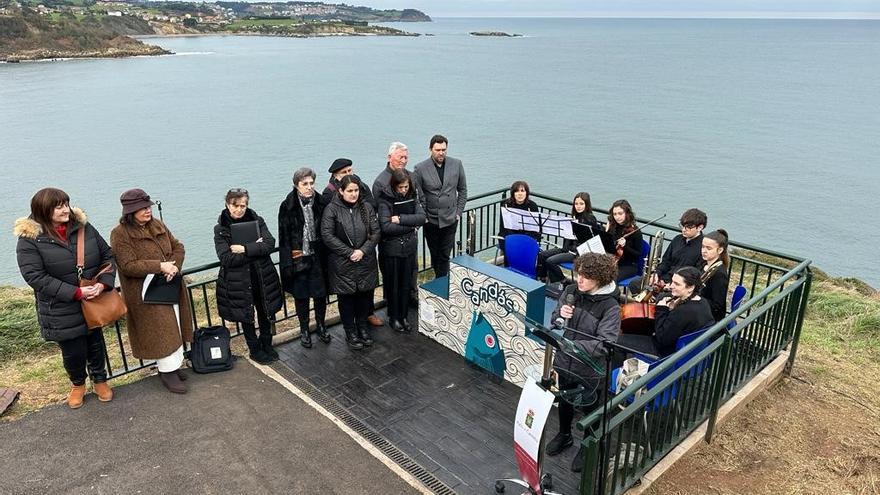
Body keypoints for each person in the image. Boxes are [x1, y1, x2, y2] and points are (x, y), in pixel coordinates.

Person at [15, 188, 116, 409]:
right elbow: (35, 277)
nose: (65, 209)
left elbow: (107, 255)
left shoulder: (83, 228)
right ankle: (78, 384)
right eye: (59, 206)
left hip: (93, 300)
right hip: (59, 307)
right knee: (73, 350)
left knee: (96, 344)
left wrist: (103, 283)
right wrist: (76, 292)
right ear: (43, 210)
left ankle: (100, 380)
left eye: (66, 204)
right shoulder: (30, 240)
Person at [544, 252, 621, 472]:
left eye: (586, 277)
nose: (579, 279)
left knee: (591, 411)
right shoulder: (570, 291)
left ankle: (588, 446)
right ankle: (565, 434)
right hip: (565, 362)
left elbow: (606, 344)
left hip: (590, 370)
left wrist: (574, 347)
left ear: (601, 278)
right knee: (565, 401)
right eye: (579, 274)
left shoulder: (610, 307)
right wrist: (560, 315)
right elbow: (555, 320)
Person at [111, 188, 193, 394]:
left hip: (169, 283)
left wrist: (174, 266)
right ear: (130, 211)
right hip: (146, 292)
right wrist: (159, 266)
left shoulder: (158, 224)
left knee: (175, 325)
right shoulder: (120, 234)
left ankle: (173, 366)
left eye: (148, 207)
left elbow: (178, 246)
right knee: (161, 331)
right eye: (142, 208)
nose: (148, 211)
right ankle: (167, 372)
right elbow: (128, 265)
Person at [214, 188, 284, 363]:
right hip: (238, 280)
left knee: (265, 310)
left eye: (243, 205)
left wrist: (244, 249)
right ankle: (254, 348)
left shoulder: (257, 221)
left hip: (262, 275)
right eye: (235, 205)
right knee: (246, 315)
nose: (239, 209)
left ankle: (267, 344)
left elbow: (269, 244)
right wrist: (255, 248)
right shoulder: (221, 228)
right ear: (227, 205)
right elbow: (226, 258)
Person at [321, 175, 381, 350]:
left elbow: (376, 232)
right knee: (346, 299)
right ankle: (350, 332)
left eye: (356, 190)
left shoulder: (367, 207)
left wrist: (362, 251)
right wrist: (349, 253)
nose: (353, 194)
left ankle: (362, 328)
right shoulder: (332, 209)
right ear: (341, 191)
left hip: (365, 260)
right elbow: (327, 235)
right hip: (342, 263)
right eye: (350, 191)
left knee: (364, 296)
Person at [279, 168, 332, 349]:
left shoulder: (322, 202)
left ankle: (321, 325)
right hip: (298, 258)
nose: (309, 187)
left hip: (318, 257)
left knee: (320, 294)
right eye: (305, 184)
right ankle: (304, 329)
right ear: (296, 185)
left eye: (311, 183)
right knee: (301, 297)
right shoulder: (287, 206)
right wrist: (288, 262)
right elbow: (284, 236)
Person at [618, 266, 715, 359]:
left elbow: (661, 338)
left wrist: (661, 309)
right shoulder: (703, 302)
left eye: (677, 284)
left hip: (667, 354)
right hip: (691, 352)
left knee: (616, 341)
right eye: (672, 282)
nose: (671, 286)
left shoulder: (683, 312)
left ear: (690, 288)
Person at [412, 134, 467, 278]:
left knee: (445, 254)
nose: (441, 153)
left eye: (444, 149)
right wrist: (423, 216)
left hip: (450, 218)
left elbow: (462, 190)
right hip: (431, 219)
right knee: (435, 254)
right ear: (431, 149)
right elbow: (417, 194)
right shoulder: (420, 168)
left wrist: (459, 212)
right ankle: (441, 281)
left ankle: (442, 282)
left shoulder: (457, 164)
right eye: (438, 150)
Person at [377, 169, 426, 332]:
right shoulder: (385, 199)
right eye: (401, 187)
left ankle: (403, 315)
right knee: (393, 285)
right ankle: (394, 316)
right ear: (394, 186)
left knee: (406, 284)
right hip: (392, 249)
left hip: (409, 247)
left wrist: (401, 219)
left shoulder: (412, 195)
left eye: (406, 187)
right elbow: (385, 227)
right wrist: (410, 227)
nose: (404, 190)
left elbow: (422, 217)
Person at [537, 192, 603, 283]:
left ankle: (563, 280)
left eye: (581, 204)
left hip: (577, 253)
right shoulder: (574, 216)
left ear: (586, 204)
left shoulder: (590, 219)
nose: (578, 206)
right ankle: (542, 278)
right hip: (567, 248)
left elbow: (590, 239)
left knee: (550, 261)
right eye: (576, 204)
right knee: (542, 255)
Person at [652, 208, 707, 287]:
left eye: (688, 227)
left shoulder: (703, 246)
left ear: (700, 227)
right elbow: (666, 261)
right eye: (683, 226)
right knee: (635, 284)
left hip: (682, 285)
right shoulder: (677, 239)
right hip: (664, 278)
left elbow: (696, 274)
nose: (683, 230)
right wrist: (657, 274)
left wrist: (672, 284)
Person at [497, 180, 541, 255]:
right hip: (509, 234)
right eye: (517, 191)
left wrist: (523, 238)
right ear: (513, 193)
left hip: (527, 235)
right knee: (510, 245)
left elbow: (536, 228)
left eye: (522, 191)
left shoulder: (532, 206)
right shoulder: (506, 204)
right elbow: (503, 226)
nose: (520, 194)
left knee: (526, 246)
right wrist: (514, 239)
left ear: (526, 193)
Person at [605, 199, 643, 282]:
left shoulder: (635, 231)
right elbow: (608, 247)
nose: (617, 217)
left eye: (620, 213)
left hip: (629, 266)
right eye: (614, 214)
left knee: (610, 280)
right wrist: (606, 233)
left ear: (627, 213)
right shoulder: (613, 227)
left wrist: (625, 246)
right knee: (593, 273)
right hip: (613, 262)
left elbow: (637, 254)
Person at [700, 229, 731, 323]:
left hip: (709, 318)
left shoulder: (719, 274)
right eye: (703, 247)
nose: (704, 251)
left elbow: (717, 305)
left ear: (720, 250)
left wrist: (695, 299)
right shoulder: (704, 264)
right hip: (700, 309)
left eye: (709, 248)